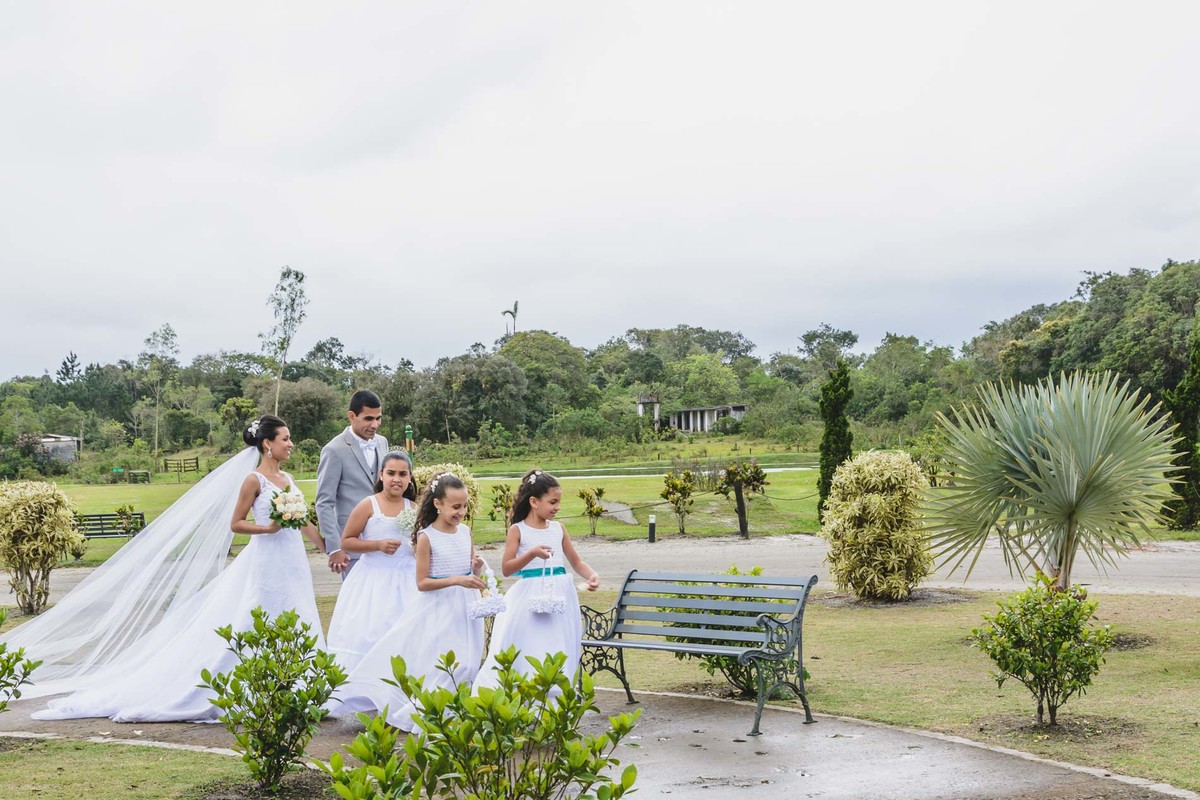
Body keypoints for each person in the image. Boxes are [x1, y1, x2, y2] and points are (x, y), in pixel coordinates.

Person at [32, 415, 326, 722]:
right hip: (266, 558)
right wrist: (266, 530)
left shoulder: (289, 479)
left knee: (298, 610)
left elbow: (302, 519)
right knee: (261, 614)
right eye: (285, 439)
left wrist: (326, 549)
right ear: (267, 444)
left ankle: (300, 686)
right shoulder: (254, 480)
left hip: (293, 559)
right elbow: (235, 523)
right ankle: (255, 685)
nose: (291, 444)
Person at [329, 472, 485, 730]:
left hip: (464, 607)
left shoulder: (465, 532)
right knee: (442, 660)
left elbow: (469, 572)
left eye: (465, 506)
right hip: (438, 607)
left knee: (467, 661)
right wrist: (457, 580)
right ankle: (431, 711)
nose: (461, 511)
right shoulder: (426, 537)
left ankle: (456, 709)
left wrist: (475, 569)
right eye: (456, 506)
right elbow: (422, 583)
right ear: (438, 504)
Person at [475, 469, 599, 692]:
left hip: (559, 596)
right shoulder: (518, 530)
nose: (557, 507)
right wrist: (531, 553)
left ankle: (556, 697)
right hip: (530, 597)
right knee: (534, 645)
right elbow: (507, 568)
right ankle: (529, 694)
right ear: (534, 501)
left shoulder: (559, 529)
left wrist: (591, 575)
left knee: (558, 645)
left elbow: (576, 561)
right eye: (552, 502)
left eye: (559, 502)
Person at [326, 450, 419, 672]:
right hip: (374, 578)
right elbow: (346, 541)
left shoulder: (413, 508)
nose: (397, 479)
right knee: (373, 629)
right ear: (381, 475)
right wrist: (376, 545)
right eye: (391, 473)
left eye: (403, 474)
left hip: (407, 578)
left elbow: (418, 540)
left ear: (409, 477)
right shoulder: (369, 505)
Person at [317, 390, 389, 577]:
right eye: (368, 419)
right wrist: (334, 548)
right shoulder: (334, 450)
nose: (375, 425)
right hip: (352, 547)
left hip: (384, 544)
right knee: (357, 604)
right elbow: (324, 502)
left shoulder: (382, 443)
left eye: (378, 418)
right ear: (352, 416)